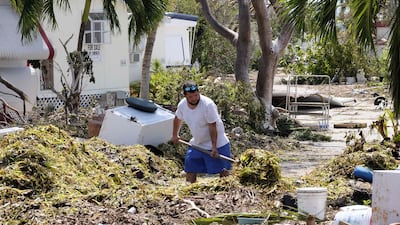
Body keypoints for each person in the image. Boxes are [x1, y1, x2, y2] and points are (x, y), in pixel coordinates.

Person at [171, 80, 232, 183]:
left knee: (223, 172)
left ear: (198, 92)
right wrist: (175, 135)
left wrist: (214, 147)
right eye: (190, 97)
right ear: (185, 96)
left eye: (196, 95)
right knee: (190, 168)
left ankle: (228, 192)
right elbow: (177, 118)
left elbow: (213, 126)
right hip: (198, 143)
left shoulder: (208, 105)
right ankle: (189, 189)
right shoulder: (182, 105)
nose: (194, 98)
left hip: (218, 142)